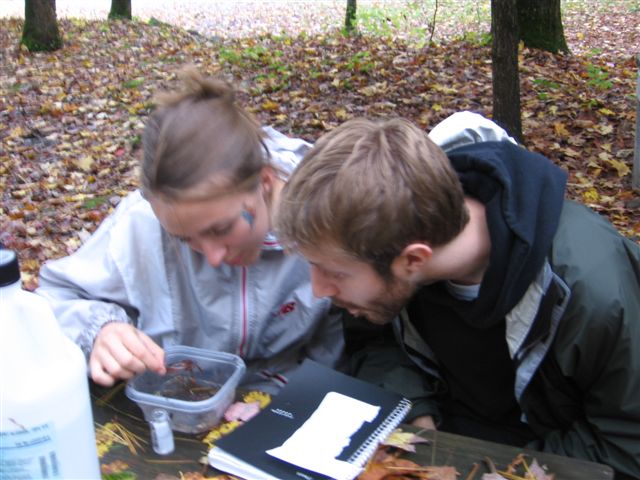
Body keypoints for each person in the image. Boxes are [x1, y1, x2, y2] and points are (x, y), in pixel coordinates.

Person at [275, 112, 640, 479]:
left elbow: (626, 447)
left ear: (414, 259)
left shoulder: (591, 293)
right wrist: (416, 412)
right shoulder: (386, 245)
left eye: (335, 273)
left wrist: (484, 471)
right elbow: (375, 341)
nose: (319, 289)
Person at [36, 68, 344, 396]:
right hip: (176, 401)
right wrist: (99, 329)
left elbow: (342, 342)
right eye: (184, 239)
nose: (213, 256)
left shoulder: (327, 215)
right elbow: (51, 301)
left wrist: (286, 399)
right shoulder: (140, 225)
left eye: (222, 228)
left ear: (264, 182)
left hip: (286, 400)